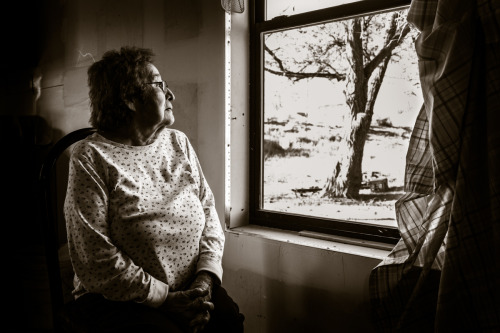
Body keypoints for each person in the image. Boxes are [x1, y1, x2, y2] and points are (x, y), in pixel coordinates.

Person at [63, 46, 244, 333]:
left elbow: (210, 216)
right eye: (160, 85)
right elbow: (94, 257)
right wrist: (164, 299)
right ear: (129, 98)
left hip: (190, 287)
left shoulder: (178, 143)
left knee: (228, 321)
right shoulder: (90, 157)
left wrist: (204, 281)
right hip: (117, 299)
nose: (170, 94)